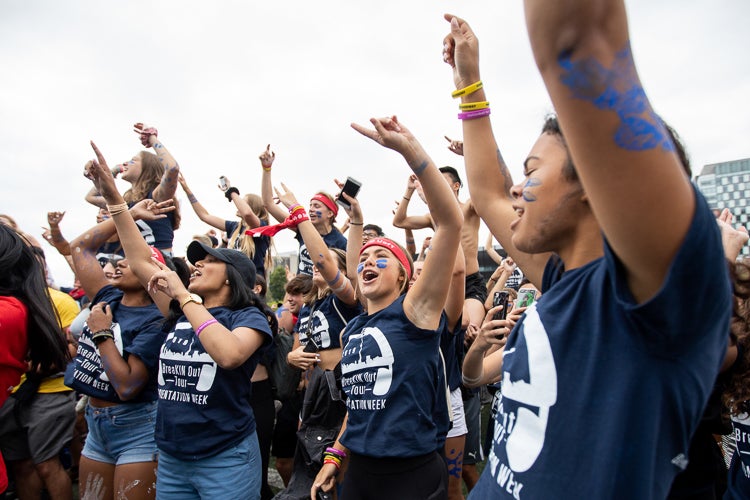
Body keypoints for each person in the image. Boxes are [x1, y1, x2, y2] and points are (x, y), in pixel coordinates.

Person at [443, 9, 730, 498]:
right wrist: (469, 83)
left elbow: (575, 34)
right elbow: (488, 193)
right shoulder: (564, 280)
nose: (516, 186)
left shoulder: (655, 300)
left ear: (595, 187)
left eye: (532, 171)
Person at [85, 140, 276, 500]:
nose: (197, 264)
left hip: (225, 457)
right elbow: (141, 261)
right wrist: (115, 199)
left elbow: (230, 355)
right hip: (172, 456)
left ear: (232, 276)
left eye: (209, 260)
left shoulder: (249, 317)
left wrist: (184, 295)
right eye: (195, 260)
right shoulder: (180, 309)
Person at [312, 115, 463, 499]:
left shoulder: (416, 313)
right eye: (363, 259)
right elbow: (362, 403)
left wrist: (407, 150)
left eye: (381, 257)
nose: (366, 263)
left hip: (411, 475)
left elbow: (449, 224)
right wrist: (333, 457)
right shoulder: (354, 330)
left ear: (403, 277)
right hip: (359, 472)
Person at [65, 199, 175, 500]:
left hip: (137, 426)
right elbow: (79, 248)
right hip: (96, 424)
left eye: (131, 259)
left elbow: (127, 386)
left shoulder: (157, 321)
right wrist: (126, 215)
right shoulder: (107, 297)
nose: (120, 262)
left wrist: (101, 333)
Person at [273, 181, 363, 499]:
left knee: (338, 469)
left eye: (322, 262)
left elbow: (323, 260)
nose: (314, 264)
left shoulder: (346, 300)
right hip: (314, 395)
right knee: (313, 469)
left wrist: (299, 211)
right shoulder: (311, 305)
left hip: (343, 395)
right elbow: (298, 351)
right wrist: (292, 358)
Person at [0, 246, 78, 500]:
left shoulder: (60, 301)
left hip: (50, 392)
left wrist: (41, 365)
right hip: (11, 393)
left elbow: (73, 347)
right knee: (20, 464)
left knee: (46, 464)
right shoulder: (11, 303)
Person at [84, 123, 181, 254]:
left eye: (133, 161)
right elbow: (91, 197)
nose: (125, 163)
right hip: (134, 263)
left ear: (148, 168)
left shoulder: (156, 196)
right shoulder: (125, 202)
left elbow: (172, 168)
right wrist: (111, 171)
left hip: (159, 262)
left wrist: (151, 137)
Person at [259, 145, 347, 276]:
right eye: (310, 205)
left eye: (317, 206)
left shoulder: (340, 242)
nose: (311, 209)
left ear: (330, 213)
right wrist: (266, 169)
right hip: (301, 293)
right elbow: (268, 204)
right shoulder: (304, 227)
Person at [179, 172, 272, 278]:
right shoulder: (234, 227)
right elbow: (204, 216)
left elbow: (247, 214)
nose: (237, 204)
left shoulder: (262, 228)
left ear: (252, 207)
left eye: (242, 202)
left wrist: (230, 191)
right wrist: (187, 190)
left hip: (252, 284)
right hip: (235, 283)